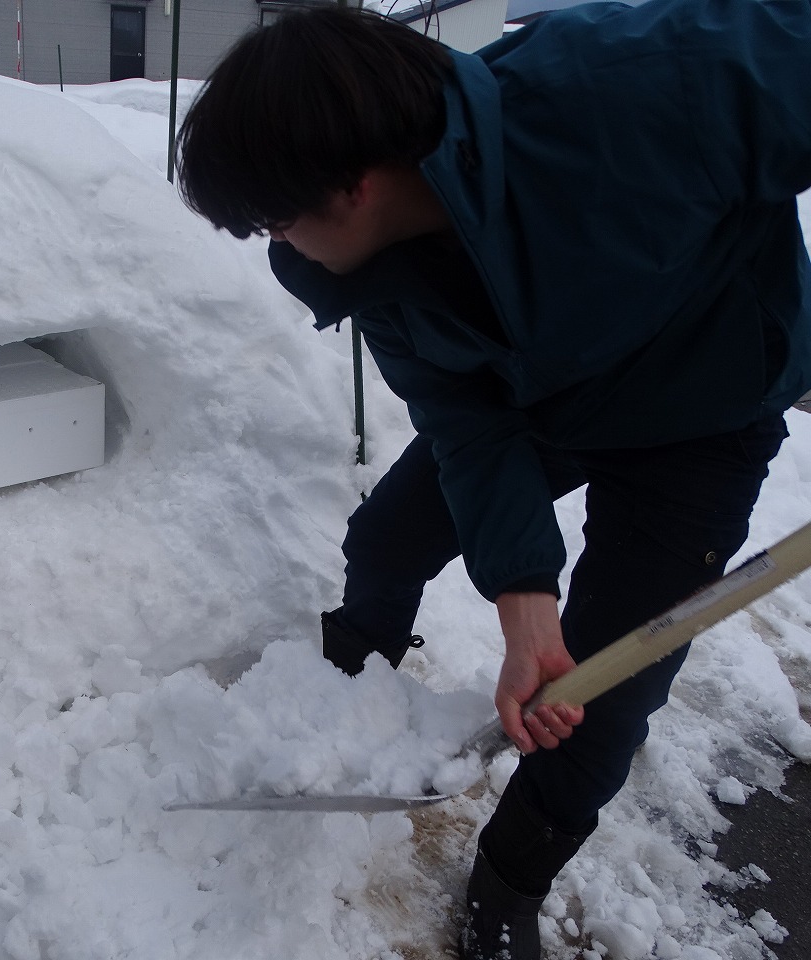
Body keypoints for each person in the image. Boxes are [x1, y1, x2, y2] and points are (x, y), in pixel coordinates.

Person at [175, 0, 811, 957]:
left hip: (698, 417)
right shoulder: (363, 269)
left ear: (352, 185)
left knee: (595, 699)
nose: (277, 246)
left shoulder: (631, 88)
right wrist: (524, 600)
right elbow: (466, 425)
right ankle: (355, 666)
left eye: (275, 218)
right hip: (531, 407)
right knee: (386, 538)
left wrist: (558, 640)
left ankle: (509, 879)